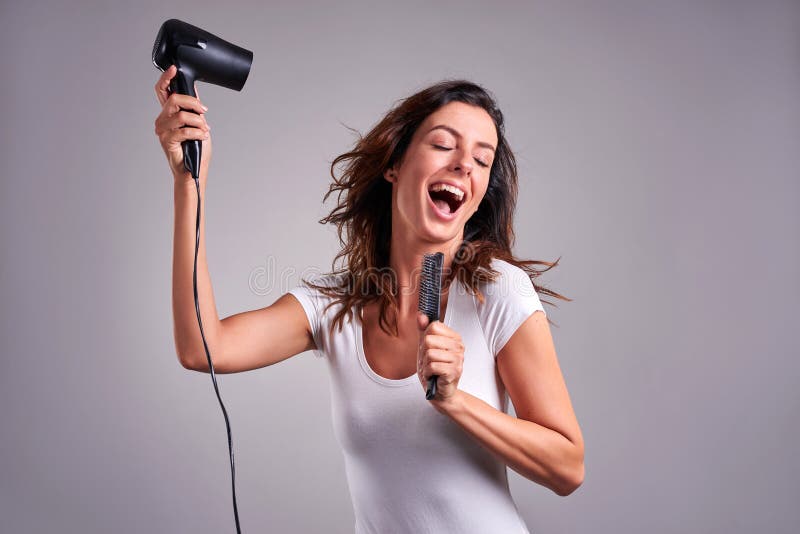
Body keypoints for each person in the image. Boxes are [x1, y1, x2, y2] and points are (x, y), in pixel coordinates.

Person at [154, 66, 585, 533]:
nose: (464, 164)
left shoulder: (496, 290)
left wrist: (457, 402)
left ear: (480, 196)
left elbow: (567, 468)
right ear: (394, 165)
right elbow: (203, 348)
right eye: (443, 144)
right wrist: (188, 183)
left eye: (482, 160)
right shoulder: (333, 308)